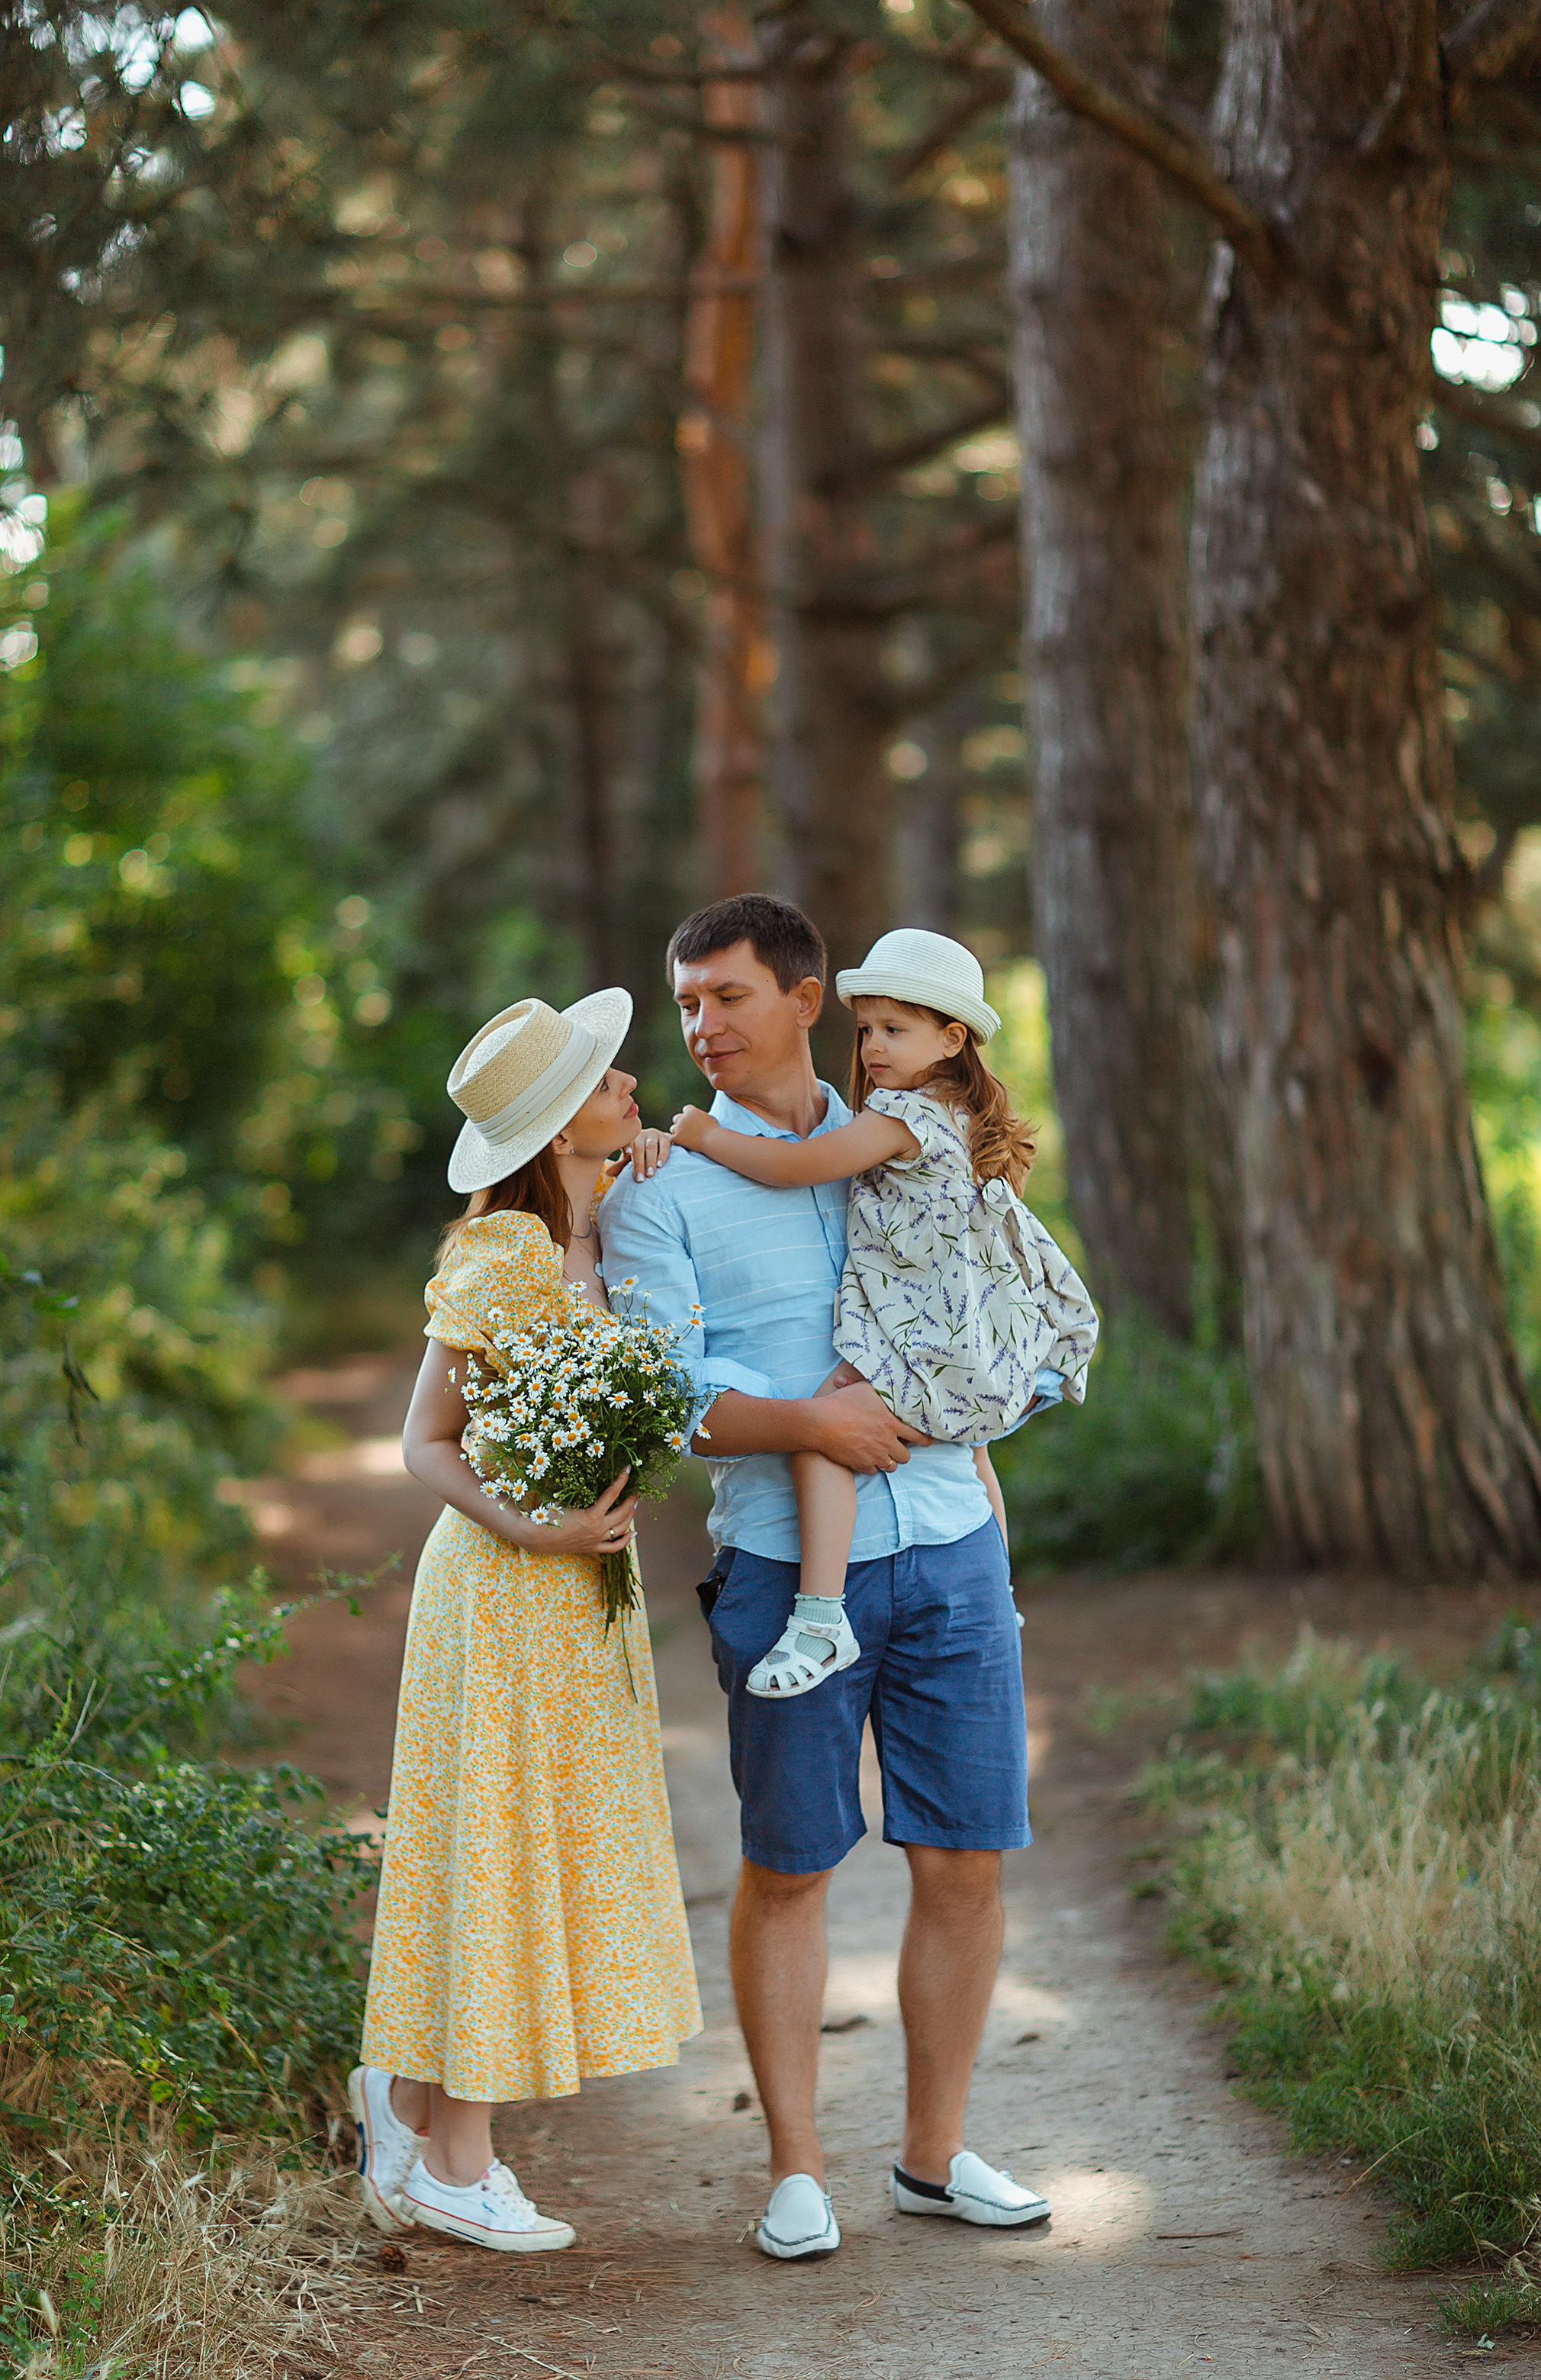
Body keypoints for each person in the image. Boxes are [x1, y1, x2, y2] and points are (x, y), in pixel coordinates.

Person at [598, 894, 1054, 2263]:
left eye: (727, 995)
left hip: (953, 1544)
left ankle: (933, 2153)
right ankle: (796, 2168)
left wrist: (985, 1474)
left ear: (808, 1000)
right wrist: (814, 1423)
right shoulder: (658, 1188)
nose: (701, 1025)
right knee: (790, 1862)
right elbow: (668, 1397)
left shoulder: (909, 1142)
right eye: (686, 1003)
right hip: (783, 1565)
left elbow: (984, 1310)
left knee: (966, 1858)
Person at [350, 992, 701, 2254]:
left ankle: (406, 2105)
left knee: (540, 1847)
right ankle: (458, 2161)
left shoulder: (615, 1223)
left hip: (583, 1592)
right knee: (496, 1847)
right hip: (503, 1584)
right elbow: (424, 1440)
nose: (632, 1085)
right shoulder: (503, 1255)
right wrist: (532, 1527)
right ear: (559, 1128)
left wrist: (648, 1168)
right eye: (608, 1082)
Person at [664, 927, 1096, 1699]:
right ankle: (999, 1593)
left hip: (919, 1327)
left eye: (894, 1030)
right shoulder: (959, 1114)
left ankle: (819, 1616)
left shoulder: (902, 1117)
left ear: (951, 1039)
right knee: (974, 1455)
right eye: (866, 1030)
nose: (872, 1047)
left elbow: (798, 1165)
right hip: (958, 1326)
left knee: (823, 1428)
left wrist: (706, 1133)